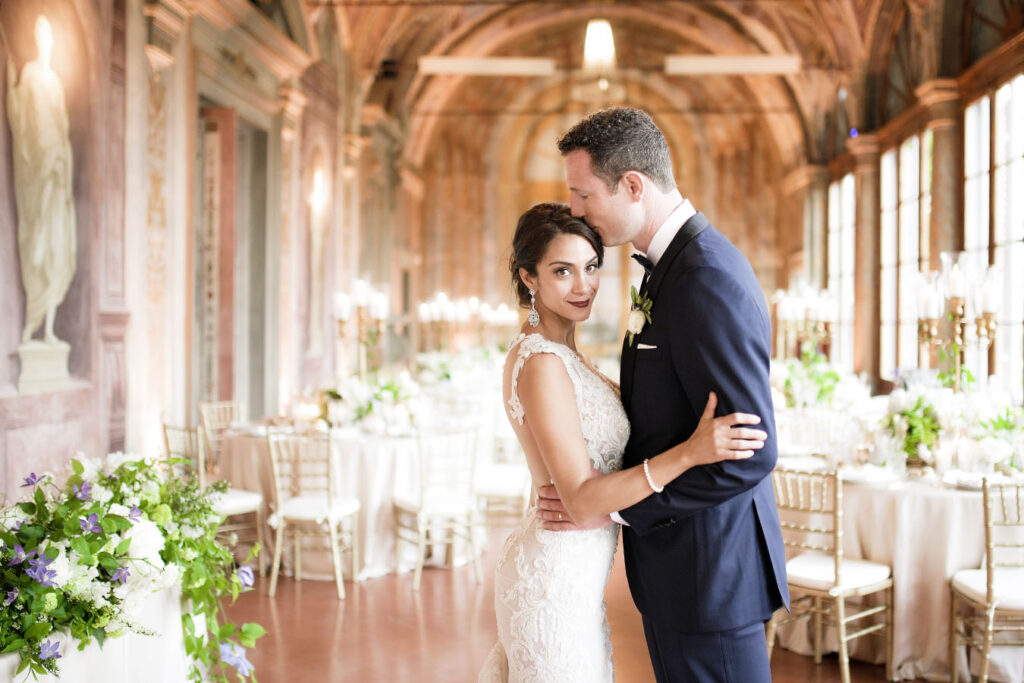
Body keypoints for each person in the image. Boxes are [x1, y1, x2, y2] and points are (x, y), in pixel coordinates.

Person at [536, 107, 790, 682]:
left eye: (583, 194)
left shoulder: (705, 278)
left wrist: (618, 508)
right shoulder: (665, 270)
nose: (575, 210)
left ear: (632, 186)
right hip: (682, 573)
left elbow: (751, 450)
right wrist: (593, 495)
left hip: (711, 575)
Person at [478, 202, 768, 682]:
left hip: (577, 576)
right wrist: (691, 452)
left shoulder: (566, 353)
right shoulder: (542, 363)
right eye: (562, 271)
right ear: (530, 279)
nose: (583, 284)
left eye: (591, 266)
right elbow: (580, 498)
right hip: (553, 578)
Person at [6, 15, 77, 345]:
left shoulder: (57, 84)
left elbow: (62, 129)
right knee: (37, 245)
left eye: (49, 33)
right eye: (40, 33)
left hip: (57, 166)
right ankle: (29, 327)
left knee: (56, 247)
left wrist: (62, 161)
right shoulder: (30, 74)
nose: (45, 38)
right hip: (37, 166)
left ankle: (48, 330)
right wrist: (9, 80)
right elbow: (20, 118)